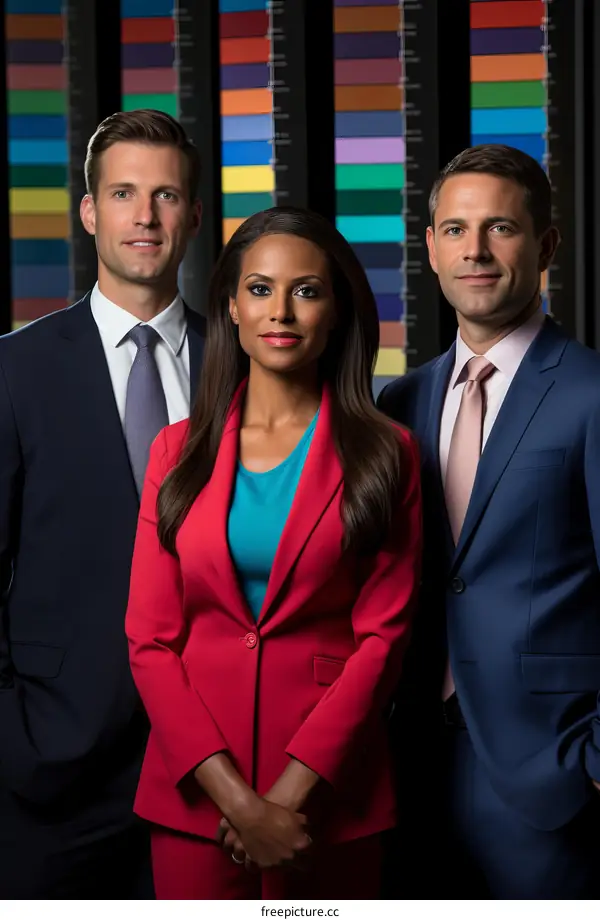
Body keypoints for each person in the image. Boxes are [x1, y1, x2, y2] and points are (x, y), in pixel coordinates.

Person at [125, 205, 422, 899]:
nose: (281, 311)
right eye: (259, 289)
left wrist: (286, 796)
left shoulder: (387, 453)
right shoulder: (176, 451)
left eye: (307, 291)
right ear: (229, 305)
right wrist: (237, 801)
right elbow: (149, 640)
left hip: (329, 800)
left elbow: (384, 637)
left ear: (337, 309)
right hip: (197, 799)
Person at [378, 143, 600, 898]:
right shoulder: (397, 404)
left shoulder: (592, 393)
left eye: (500, 228)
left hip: (551, 781)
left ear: (545, 247)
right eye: (454, 230)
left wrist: (593, 762)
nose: (474, 250)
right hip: (409, 775)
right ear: (432, 249)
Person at [0, 109, 205, 897]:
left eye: (165, 196)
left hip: (216, 765)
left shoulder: (244, 365)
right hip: (54, 769)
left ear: (191, 214)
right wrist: (16, 739)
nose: (144, 216)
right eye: (123, 194)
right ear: (89, 212)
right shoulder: (16, 373)